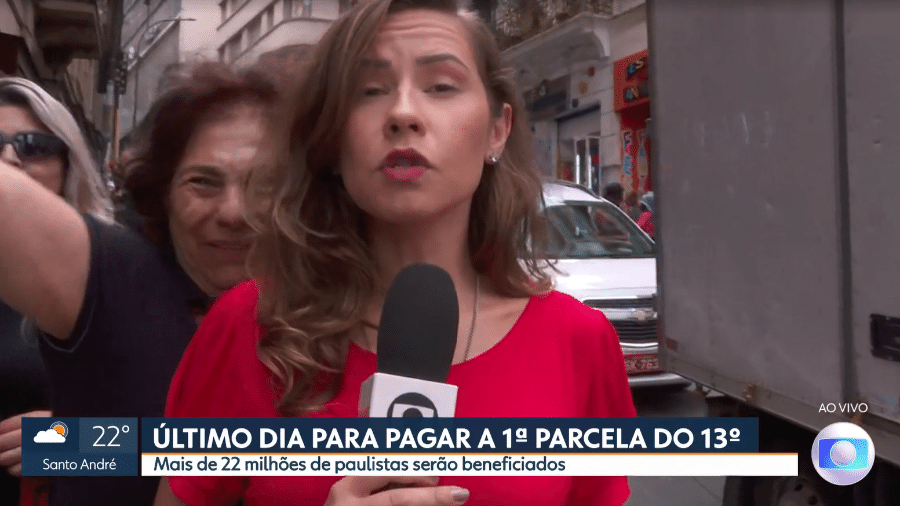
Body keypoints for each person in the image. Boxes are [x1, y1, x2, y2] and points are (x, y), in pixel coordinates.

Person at [156, 0, 636, 505]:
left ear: (497, 129)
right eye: (369, 91)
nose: (403, 113)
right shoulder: (249, 326)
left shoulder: (578, 340)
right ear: (331, 140)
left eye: (441, 86)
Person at [0, 62, 277, 505]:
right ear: (164, 192)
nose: (233, 212)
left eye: (266, 185)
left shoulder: (335, 311)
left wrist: (85, 443)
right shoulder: (115, 275)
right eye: (203, 183)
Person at [0, 76, 114, 506]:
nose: (9, 159)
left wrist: (78, 443)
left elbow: (196, 444)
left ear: (69, 166)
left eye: (34, 146)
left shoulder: (116, 275)